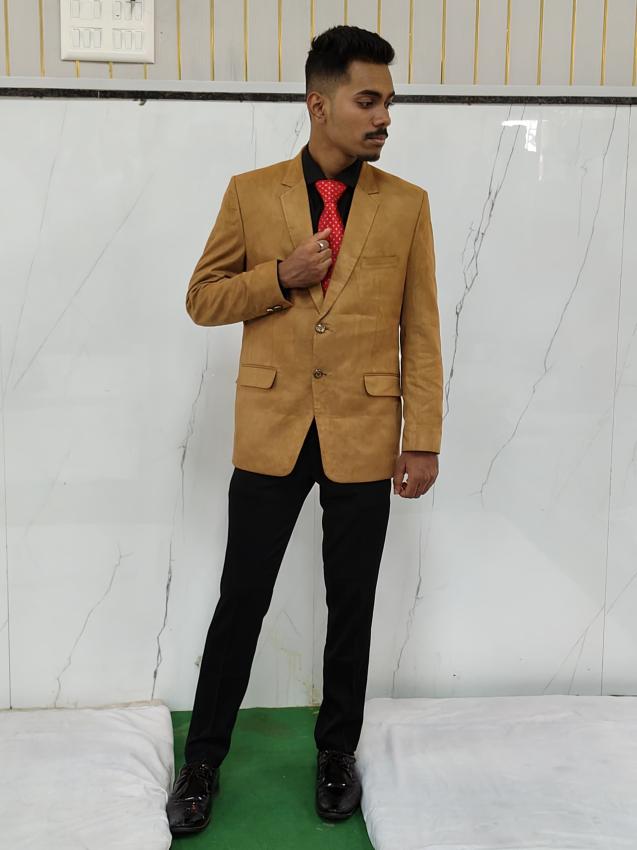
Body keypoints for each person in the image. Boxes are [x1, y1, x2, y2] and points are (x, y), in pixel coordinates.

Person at [166, 24, 443, 837]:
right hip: (273, 427)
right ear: (318, 105)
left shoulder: (407, 205)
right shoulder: (250, 194)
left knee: (351, 603)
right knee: (241, 599)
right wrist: (277, 277)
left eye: (388, 101)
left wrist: (421, 436)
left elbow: (422, 330)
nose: (383, 117)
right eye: (368, 100)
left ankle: (335, 753)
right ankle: (202, 760)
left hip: (365, 429)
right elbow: (202, 298)